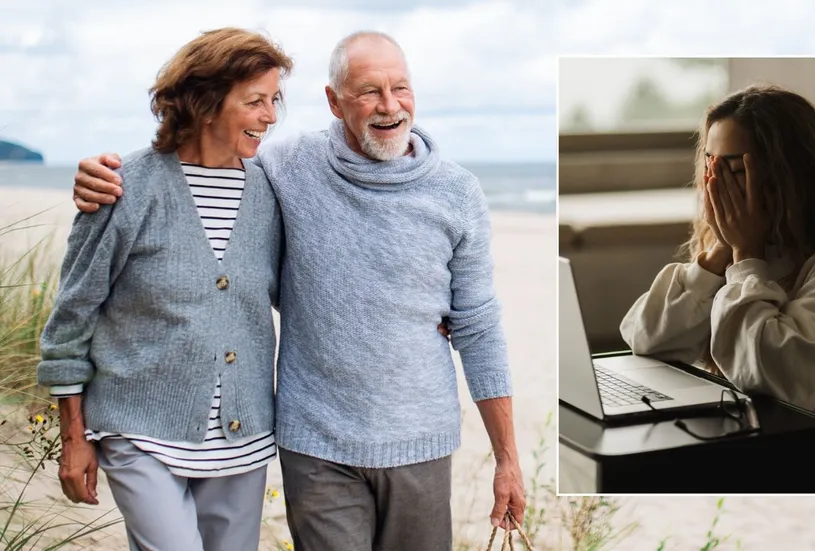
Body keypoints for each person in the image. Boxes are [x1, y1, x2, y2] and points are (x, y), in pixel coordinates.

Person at [71, 30, 525, 549]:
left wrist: (507, 459)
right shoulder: (283, 169)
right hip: (314, 442)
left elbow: (479, 326)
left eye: (401, 88)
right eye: (369, 91)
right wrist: (101, 177)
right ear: (333, 101)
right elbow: (201, 161)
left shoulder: (457, 191)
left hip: (419, 441)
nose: (390, 106)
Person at [37, 28, 293, 550]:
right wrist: (74, 439)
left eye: (274, 101)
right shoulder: (124, 187)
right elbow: (71, 319)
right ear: (204, 104)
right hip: (138, 430)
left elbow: (310, 285)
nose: (270, 116)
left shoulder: (271, 191)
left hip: (241, 440)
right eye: (255, 102)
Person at [618, 85, 815, 492]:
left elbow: (785, 375)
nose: (718, 185)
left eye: (736, 169)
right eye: (711, 165)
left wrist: (746, 257)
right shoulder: (741, 247)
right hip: (766, 438)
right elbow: (646, 340)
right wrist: (718, 254)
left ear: (787, 171)